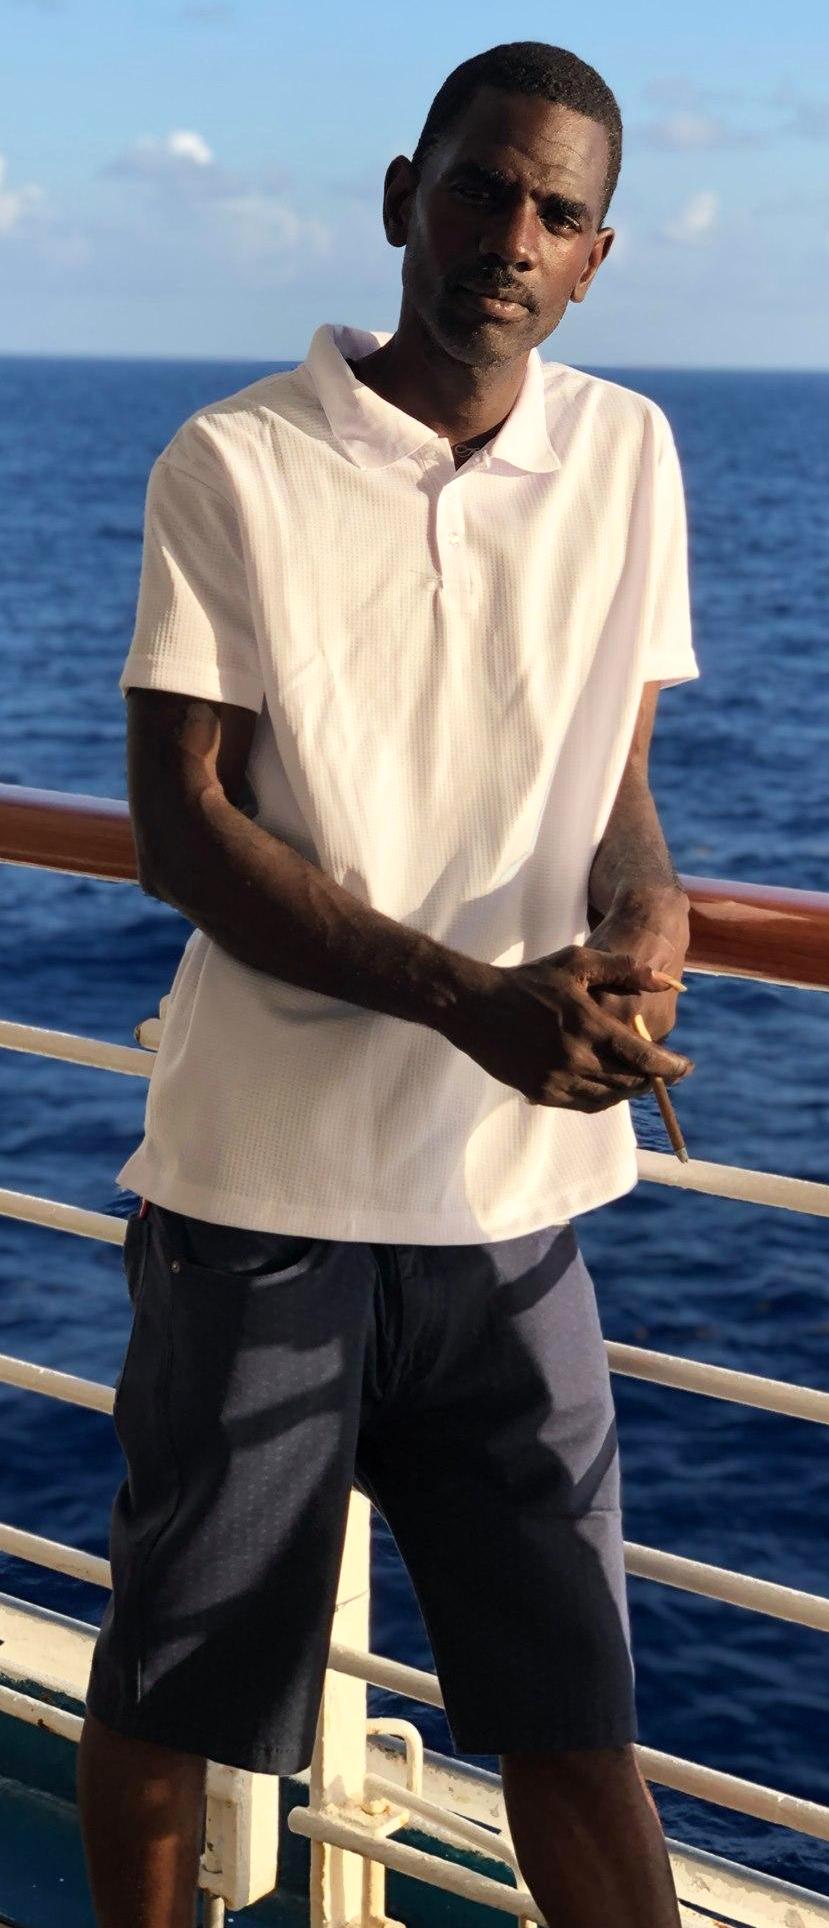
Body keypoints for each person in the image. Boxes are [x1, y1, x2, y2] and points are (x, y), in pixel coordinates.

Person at [77, 39, 699, 1928]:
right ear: (399, 199)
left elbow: (612, 776)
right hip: (264, 1198)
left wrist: (646, 909)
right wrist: (470, 1005)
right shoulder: (236, 461)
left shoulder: (628, 455)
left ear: (595, 257)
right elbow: (182, 828)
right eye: (479, 188)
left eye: (555, 212)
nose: (510, 235)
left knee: (574, 1717)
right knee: (176, 1693)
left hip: (510, 1214)